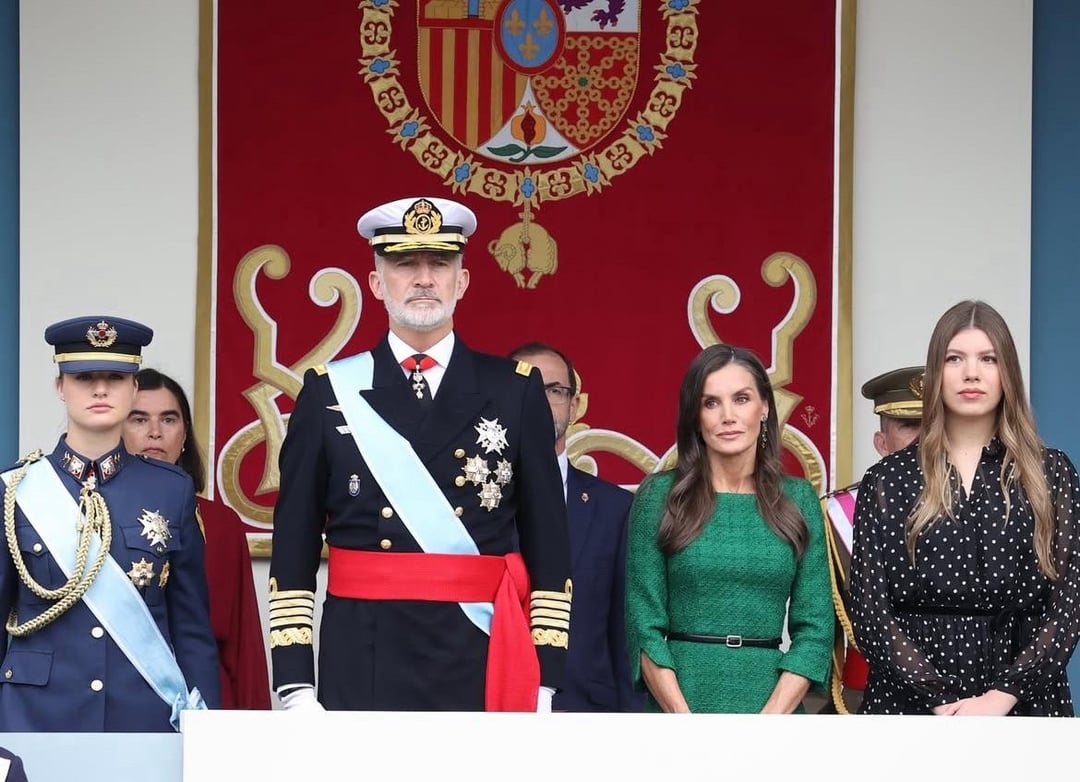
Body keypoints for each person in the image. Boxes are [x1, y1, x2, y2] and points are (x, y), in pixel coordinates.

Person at [269, 196, 571, 712]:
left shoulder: (515, 390)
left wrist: (544, 678)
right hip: (362, 655)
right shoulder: (327, 392)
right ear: (376, 282)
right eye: (405, 264)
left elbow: (549, 546)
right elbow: (293, 546)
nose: (424, 279)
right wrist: (295, 683)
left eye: (440, 264)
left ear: (463, 280)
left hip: (478, 654)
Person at [850, 299, 1080, 715]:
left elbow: (1068, 605)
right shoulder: (887, 480)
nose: (971, 373)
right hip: (910, 703)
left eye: (988, 359)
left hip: (1024, 703)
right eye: (954, 358)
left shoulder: (1052, 473)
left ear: (1008, 373)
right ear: (935, 373)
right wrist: (940, 699)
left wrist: (1002, 696)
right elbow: (870, 613)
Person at [0, 316, 220, 731]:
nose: (100, 389)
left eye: (115, 378)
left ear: (134, 388)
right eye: (84, 378)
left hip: (142, 713)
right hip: (34, 717)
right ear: (60, 387)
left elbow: (191, 628)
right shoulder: (15, 489)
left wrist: (206, 729)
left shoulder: (171, 489)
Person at [625, 344, 834, 713]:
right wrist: (685, 722)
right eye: (711, 403)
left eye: (741, 399)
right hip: (680, 705)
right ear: (695, 416)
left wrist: (767, 724)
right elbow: (644, 628)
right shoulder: (659, 496)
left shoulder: (799, 499)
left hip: (775, 711)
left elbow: (815, 631)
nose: (727, 416)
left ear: (764, 407)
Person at [123, 367, 271, 710]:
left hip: (205, 699)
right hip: (122, 696)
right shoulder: (91, 513)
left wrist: (255, 726)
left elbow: (243, 643)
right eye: (139, 419)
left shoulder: (221, 523)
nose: (155, 432)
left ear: (185, 433)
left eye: (168, 419)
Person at [507, 341, 642, 712]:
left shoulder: (616, 510)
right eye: (523, 388)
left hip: (586, 715)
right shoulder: (466, 504)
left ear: (574, 405)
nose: (538, 401)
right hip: (485, 710)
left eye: (554, 390)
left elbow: (625, 637)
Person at [821, 365, 924, 713]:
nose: (924, 438)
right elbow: (822, 625)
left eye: (936, 424)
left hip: (966, 692)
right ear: (881, 443)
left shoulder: (985, 504)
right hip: (869, 692)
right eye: (909, 425)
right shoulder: (838, 513)